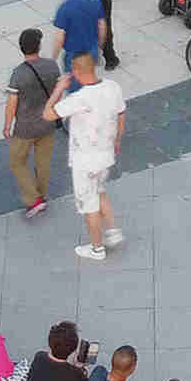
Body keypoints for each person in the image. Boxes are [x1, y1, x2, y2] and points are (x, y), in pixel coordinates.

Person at [47, 52, 127, 261]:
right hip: (106, 154)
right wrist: (118, 139)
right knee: (99, 190)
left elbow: (48, 114)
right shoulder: (112, 87)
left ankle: (96, 249)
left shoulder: (79, 99)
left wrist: (58, 89)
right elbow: (121, 113)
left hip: (85, 162)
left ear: (76, 71)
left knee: (90, 205)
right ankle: (113, 230)